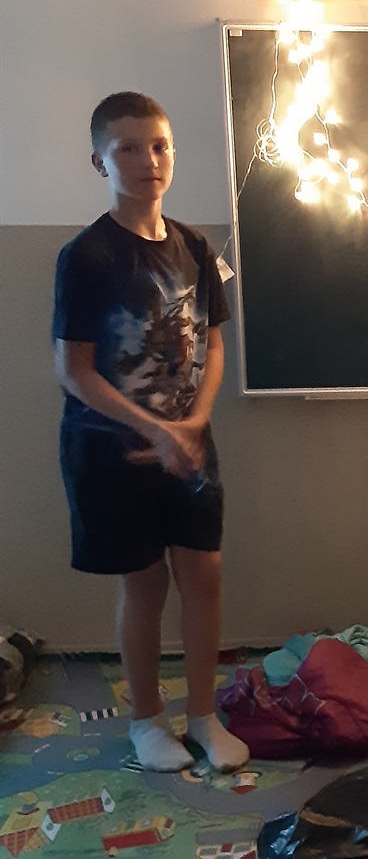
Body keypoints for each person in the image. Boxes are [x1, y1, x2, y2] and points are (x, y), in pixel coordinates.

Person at [53, 91, 248, 774]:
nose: (148, 160)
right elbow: (74, 370)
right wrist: (153, 429)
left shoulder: (195, 247)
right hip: (112, 452)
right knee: (144, 586)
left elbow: (213, 345)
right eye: (129, 148)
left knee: (205, 576)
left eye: (159, 145)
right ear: (100, 162)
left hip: (190, 447)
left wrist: (192, 423)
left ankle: (203, 716)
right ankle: (146, 720)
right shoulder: (87, 256)